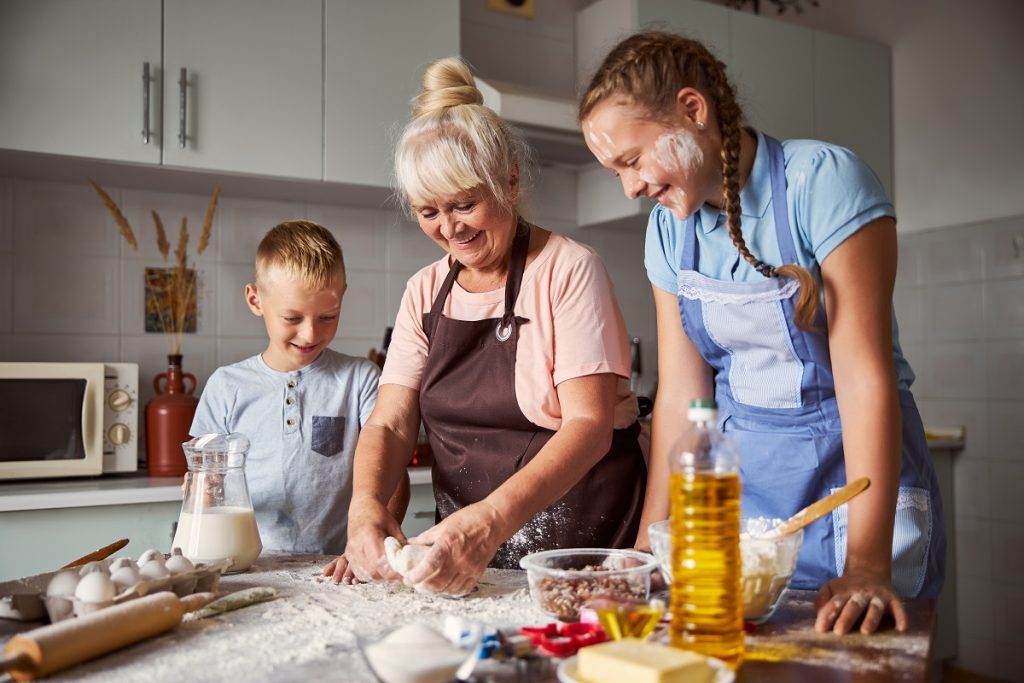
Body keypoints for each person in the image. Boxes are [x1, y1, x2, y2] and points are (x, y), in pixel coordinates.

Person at [577, 31, 944, 636]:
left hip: (855, 493)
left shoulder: (821, 182)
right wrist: (648, 550)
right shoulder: (671, 231)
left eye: (633, 160)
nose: (630, 187)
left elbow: (863, 377)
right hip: (746, 514)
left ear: (693, 111)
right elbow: (680, 398)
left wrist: (868, 563)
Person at [330, 57, 647, 594]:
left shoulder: (568, 268)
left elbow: (588, 427)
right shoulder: (425, 291)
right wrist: (363, 509)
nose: (449, 229)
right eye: (427, 211)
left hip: (579, 560)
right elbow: (389, 425)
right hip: (464, 560)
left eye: (464, 204)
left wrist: (491, 520)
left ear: (510, 180)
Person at [191, 220, 409, 574]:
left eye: (328, 316)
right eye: (292, 317)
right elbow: (202, 482)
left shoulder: (360, 379)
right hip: (250, 567)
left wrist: (373, 547)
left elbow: (394, 476)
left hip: (340, 569)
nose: (310, 333)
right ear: (255, 300)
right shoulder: (226, 386)